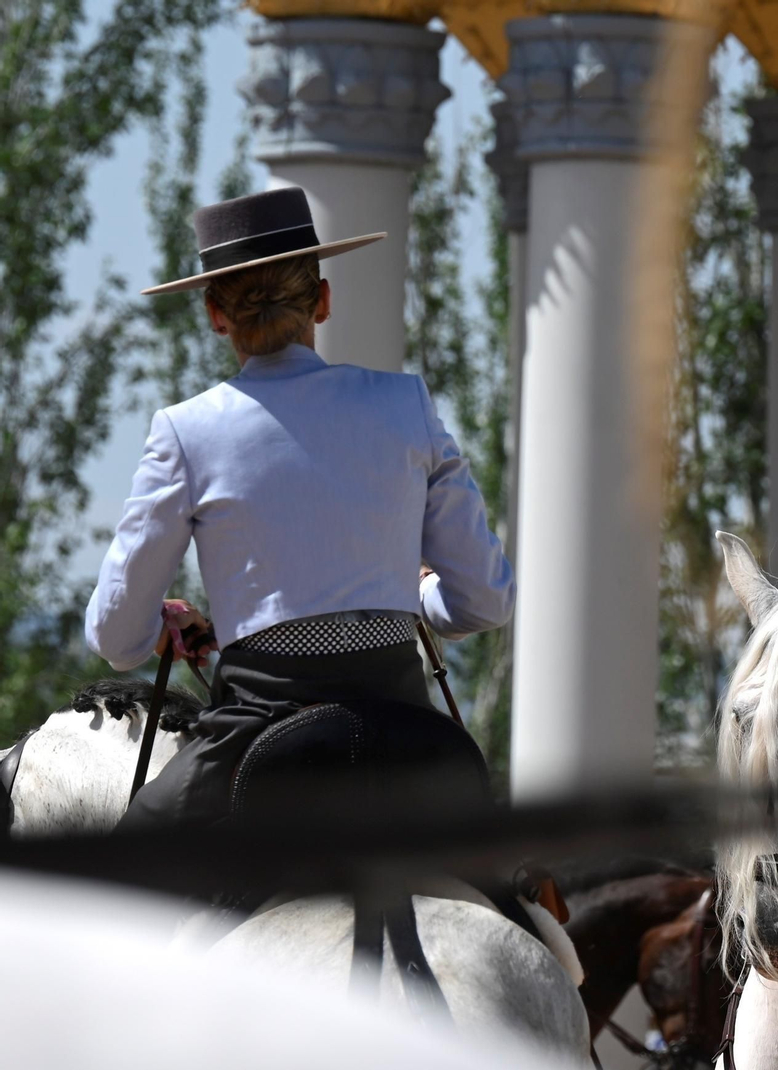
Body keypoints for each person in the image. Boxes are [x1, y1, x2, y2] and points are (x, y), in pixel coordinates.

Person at [89, 187, 513, 830]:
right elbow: (485, 601)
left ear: (214, 314)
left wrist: (157, 622)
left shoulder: (184, 432)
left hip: (259, 741)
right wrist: (414, 595)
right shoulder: (406, 404)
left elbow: (117, 640)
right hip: (412, 742)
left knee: (111, 883)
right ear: (322, 299)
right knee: (523, 900)